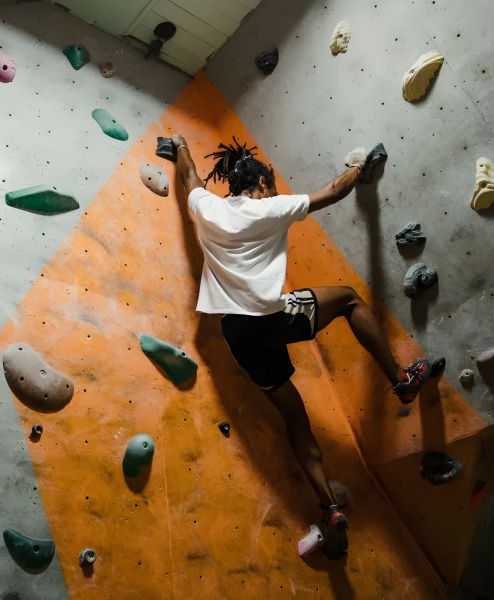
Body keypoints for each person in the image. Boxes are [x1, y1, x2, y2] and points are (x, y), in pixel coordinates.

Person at [168, 134, 443, 559]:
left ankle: (330, 510)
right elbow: (334, 191)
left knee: (294, 417)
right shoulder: (269, 207)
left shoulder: (208, 208)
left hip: (237, 337)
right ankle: (402, 380)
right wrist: (359, 161)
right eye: (272, 184)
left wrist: (182, 146)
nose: (276, 191)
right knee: (349, 298)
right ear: (259, 184)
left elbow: (188, 177)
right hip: (271, 319)